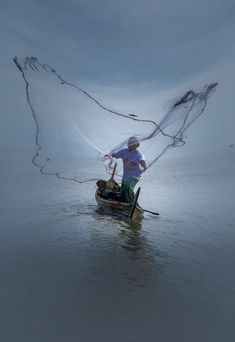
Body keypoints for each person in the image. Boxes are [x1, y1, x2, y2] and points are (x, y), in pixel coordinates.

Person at [106, 136, 146, 203]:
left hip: (135, 176)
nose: (130, 147)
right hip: (125, 176)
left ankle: (133, 203)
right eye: (129, 145)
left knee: (128, 187)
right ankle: (124, 204)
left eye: (133, 145)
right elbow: (114, 155)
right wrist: (109, 155)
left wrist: (144, 166)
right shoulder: (124, 151)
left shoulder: (139, 155)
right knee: (123, 191)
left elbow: (142, 161)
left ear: (137, 145)